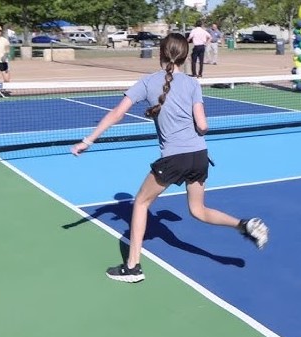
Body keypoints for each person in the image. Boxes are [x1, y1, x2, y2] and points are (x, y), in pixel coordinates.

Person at [70, 33, 269, 283]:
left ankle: (133, 267)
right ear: (185, 56)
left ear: (160, 54)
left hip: (174, 158)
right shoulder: (193, 84)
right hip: (199, 155)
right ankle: (244, 225)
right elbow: (203, 125)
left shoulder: (147, 82)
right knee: (198, 210)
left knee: (140, 203)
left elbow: (117, 113)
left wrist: (88, 140)